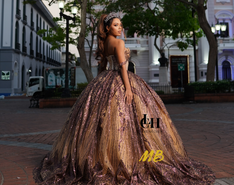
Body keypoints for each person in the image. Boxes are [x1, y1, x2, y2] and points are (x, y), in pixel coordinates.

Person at [33, 13, 215, 184]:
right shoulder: (118, 43)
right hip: (122, 80)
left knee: (100, 124)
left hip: (105, 80)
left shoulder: (105, 44)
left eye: (120, 25)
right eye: (115, 25)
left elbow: (104, 67)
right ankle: (127, 160)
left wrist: (100, 86)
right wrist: (128, 89)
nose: (120, 28)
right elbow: (122, 68)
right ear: (108, 27)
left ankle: (101, 158)